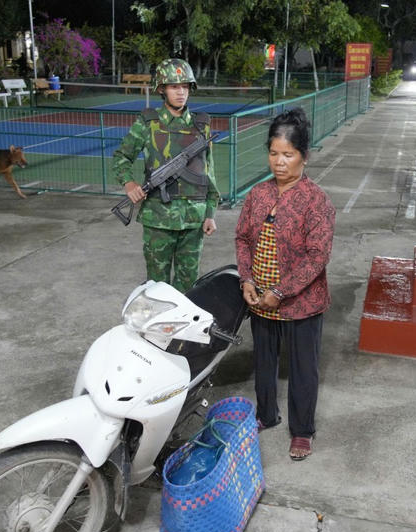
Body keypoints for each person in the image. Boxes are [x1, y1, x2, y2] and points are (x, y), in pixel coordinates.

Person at [235, 108, 335, 460]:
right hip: (260, 299)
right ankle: (266, 414)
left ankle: (302, 431)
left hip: (300, 303)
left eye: (288, 155)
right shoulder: (258, 194)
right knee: (264, 362)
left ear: (304, 156)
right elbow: (242, 238)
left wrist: (280, 292)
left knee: (303, 369)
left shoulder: (316, 201)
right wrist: (247, 279)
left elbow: (317, 257)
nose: (279, 162)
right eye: (274, 153)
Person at [112, 58, 219, 291]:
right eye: (174, 86)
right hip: (158, 220)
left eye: (185, 86)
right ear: (162, 89)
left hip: (193, 220)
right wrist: (129, 184)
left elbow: (208, 172)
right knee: (157, 286)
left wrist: (210, 213)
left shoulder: (202, 125)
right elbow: (121, 156)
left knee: (189, 287)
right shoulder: (148, 123)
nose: (181, 92)